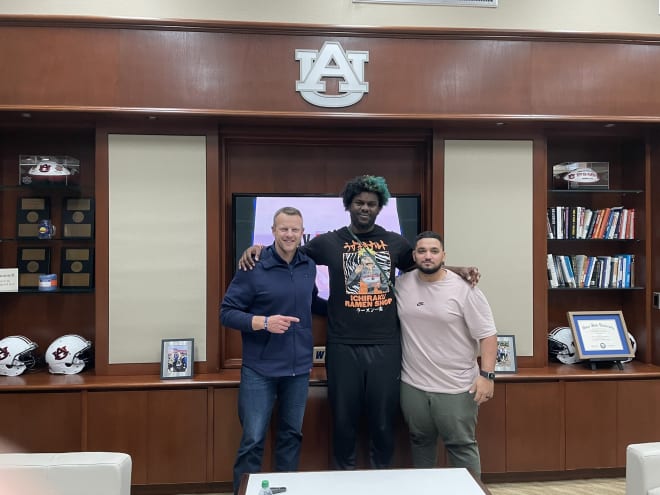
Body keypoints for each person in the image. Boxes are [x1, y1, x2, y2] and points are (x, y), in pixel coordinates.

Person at [239, 175, 479, 470]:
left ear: (380, 208)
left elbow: (425, 265)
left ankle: (382, 483)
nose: (365, 208)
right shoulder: (327, 241)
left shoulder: (395, 242)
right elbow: (287, 253)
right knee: (343, 423)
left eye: (371, 204)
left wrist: (458, 269)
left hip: (386, 347)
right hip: (342, 347)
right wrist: (258, 249)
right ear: (349, 205)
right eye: (359, 203)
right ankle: (344, 482)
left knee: (382, 423)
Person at [221, 206, 326, 495]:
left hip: (298, 369)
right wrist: (263, 322)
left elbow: (313, 303)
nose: (289, 234)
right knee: (253, 439)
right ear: (273, 231)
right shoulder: (253, 265)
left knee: (291, 437)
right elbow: (226, 313)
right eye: (284, 229)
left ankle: (285, 491)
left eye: (295, 229)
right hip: (260, 370)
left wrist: (346, 309)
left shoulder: (308, 265)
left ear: (302, 232)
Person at [395, 231, 497, 478]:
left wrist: (487, 376)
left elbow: (488, 334)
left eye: (434, 251)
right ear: (414, 255)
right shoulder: (401, 284)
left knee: (461, 446)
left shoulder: (465, 289)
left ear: (444, 255)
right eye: (422, 251)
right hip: (413, 385)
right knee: (420, 442)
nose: (427, 256)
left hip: (457, 387)